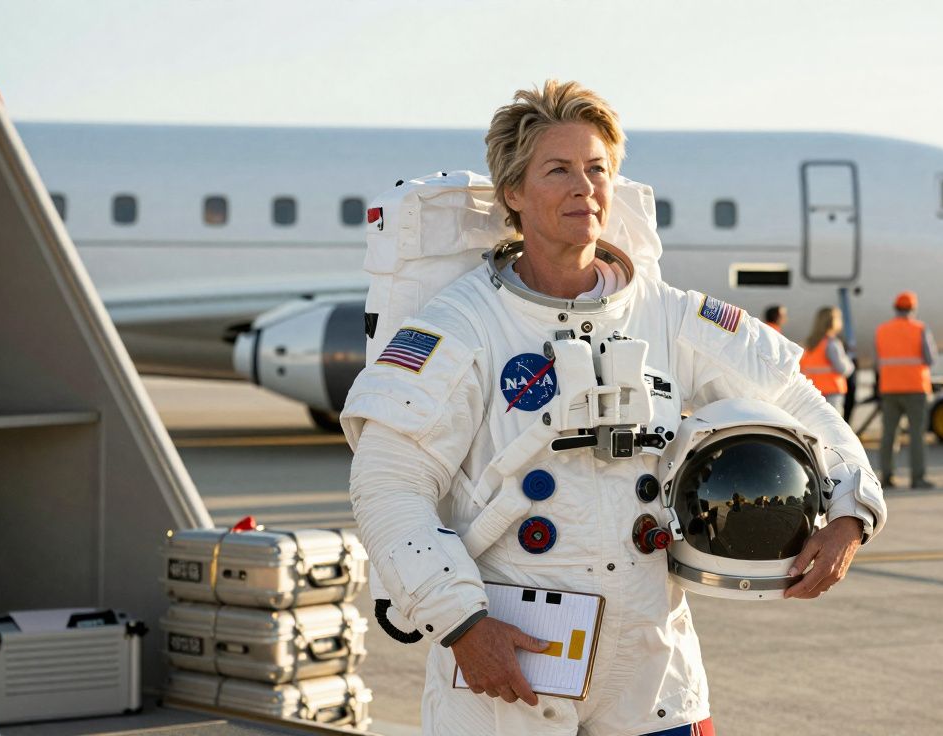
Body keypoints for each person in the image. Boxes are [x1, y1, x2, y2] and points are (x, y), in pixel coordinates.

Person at [341, 81, 886, 736]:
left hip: (651, 669)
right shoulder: (462, 327)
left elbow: (796, 400)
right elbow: (388, 484)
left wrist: (853, 510)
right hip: (507, 666)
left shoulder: (666, 314)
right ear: (513, 193)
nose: (584, 187)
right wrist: (460, 624)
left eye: (597, 169)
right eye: (559, 170)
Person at [874, 291, 938, 490]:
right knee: (917, 435)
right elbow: (930, 359)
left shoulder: (882, 330)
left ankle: (887, 476)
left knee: (889, 435)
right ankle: (917, 478)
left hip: (890, 387)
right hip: (915, 388)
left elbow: (878, 362)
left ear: (895, 308)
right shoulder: (920, 329)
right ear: (913, 309)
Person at [800, 306, 853, 413]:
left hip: (810, 393)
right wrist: (850, 363)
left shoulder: (807, 344)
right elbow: (843, 369)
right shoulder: (832, 344)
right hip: (831, 393)